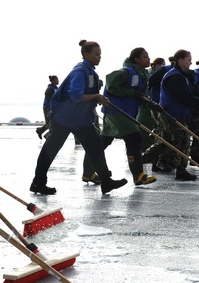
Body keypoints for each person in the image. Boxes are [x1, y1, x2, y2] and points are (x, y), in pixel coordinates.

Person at [30, 41, 129, 195]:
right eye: (96, 54)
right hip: (64, 119)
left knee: (96, 147)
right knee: (50, 151)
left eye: (100, 54)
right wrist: (95, 96)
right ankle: (38, 183)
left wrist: (97, 99)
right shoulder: (81, 71)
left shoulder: (90, 72)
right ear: (86, 54)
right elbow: (75, 96)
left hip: (80, 120)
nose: (99, 57)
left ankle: (106, 182)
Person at [101, 47, 157, 185]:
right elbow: (110, 85)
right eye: (145, 56)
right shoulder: (126, 72)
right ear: (136, 59)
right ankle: (138, 175)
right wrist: (132, 93)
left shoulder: (143, 74)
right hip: (116, 110)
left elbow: (141, 94)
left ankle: (88, 172)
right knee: (134, 138)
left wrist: (150, 103)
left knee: (103, 142)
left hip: (127, 111)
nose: (148, 59)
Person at [156, 50, 199, 180]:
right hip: (170, 113)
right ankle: (178, 169)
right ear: (180, 60)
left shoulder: (184, 76)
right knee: (180, 141)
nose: (190, 62)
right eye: (188, 59)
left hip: (180, 114)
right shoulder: (174, 76)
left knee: (173, 141)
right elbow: (185, 97)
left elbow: (195, 92)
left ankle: (169, 165)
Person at [35, 75, 59, 139]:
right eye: (56, 79)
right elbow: (49, 100)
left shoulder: (56, 88)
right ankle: (47, 136)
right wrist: (52, 108)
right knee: (50, 123)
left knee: (52, 123)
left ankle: (40, 131)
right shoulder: (50, 89)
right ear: (53, 81)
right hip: (48, 108)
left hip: (53, 108)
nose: (58, 81)